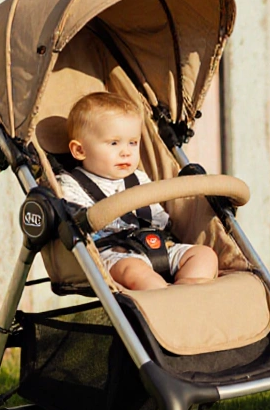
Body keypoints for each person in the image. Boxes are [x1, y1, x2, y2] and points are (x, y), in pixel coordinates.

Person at [56, 92, 218, 290]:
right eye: (114, 143)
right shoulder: (71, 183)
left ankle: (189, 290)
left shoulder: (138, 178)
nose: (126, 151)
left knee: (204, 255)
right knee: (135, 272)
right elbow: (78, 221)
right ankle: (164, 297)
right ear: (80, 150)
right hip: (115, 252)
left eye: (133, 142)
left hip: (156, 244)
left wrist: (161, 226)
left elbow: (157, 215)